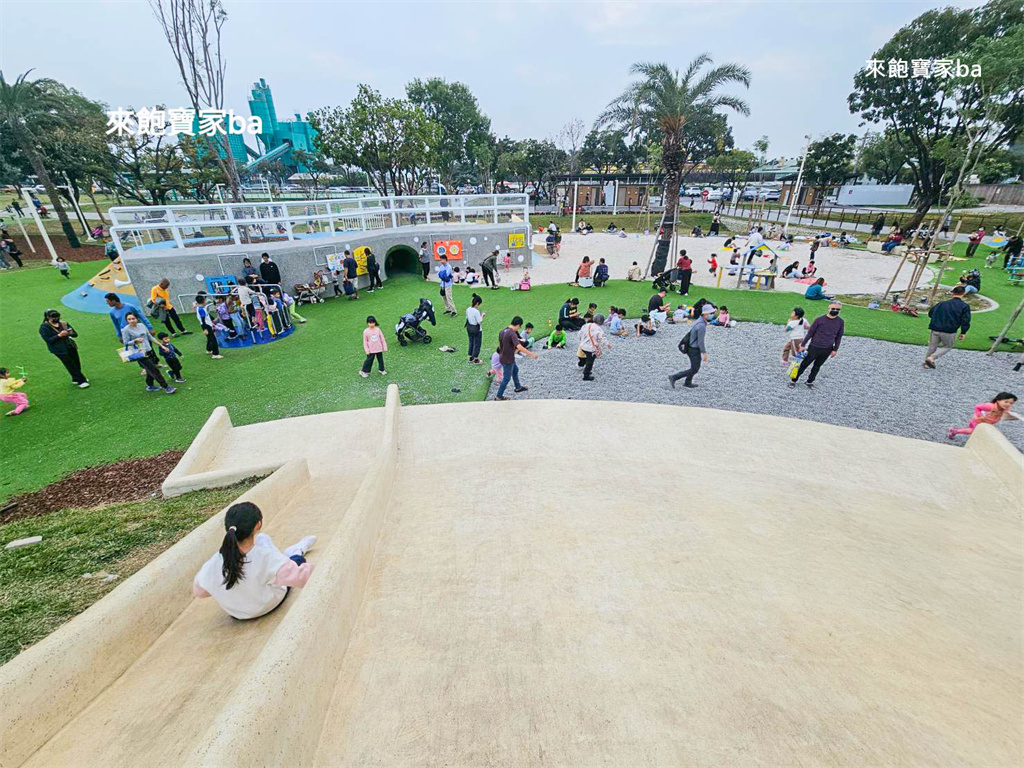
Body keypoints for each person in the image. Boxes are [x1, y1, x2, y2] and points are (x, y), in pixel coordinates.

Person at [192, 501, 316, 620]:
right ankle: (295, 550)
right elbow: (301, 578)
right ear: (258, 525)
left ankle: (266, 543)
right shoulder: (267, 558)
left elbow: (200, 592)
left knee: (274, 563)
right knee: (296, 560)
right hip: (268, 604)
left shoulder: (214, 561)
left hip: (237, 613)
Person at [789, 300, 844, 389]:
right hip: (814, 347)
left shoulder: (840, 322)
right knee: (804, 364)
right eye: (833, 308)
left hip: (827, 349)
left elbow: (839, 336)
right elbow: (810, 333)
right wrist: (803, 345)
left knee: (817, 366)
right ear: (828, 308)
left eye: (837, 309)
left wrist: (835, 349)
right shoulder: (819, 320)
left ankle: (810, 381)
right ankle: (793, 380)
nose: (835, 310)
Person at [121, 311, 176, 394]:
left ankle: (150, 385)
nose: (131, 321)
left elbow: (150, 337)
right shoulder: (126, 330)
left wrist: (162, 346)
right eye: (129, 319)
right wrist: (135, 341)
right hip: (140, 354)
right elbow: (126, 343)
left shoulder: (142, 325)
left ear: (137, 319)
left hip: (149, 350)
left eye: (133, 318)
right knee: (154, 370)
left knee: (149, 370)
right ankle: (166, 387)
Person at [923, 285, 971, 369]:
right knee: (948, 346)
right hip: (949, 331)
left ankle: (926, 364)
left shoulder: (942, 304)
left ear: (952, 293)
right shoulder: (964, 306)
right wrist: (963, 332)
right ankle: (932, 358)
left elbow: (931, 313)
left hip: (935, 329)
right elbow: (965, 321)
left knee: (932, 347)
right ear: (963, 294)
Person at [669, 303, 714, 389]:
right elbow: (700, 341)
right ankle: (674, 377)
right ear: (705, 314)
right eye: (710, 313)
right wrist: (704, 353)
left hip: (690, 347)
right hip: (694, 349)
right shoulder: (701, 326)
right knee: (695, 369)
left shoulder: (699, 321)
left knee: (694, 367)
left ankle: (688, 382)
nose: (712, 315)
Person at [39, 309, 89, 388]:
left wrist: (70, 333)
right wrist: (59, 335)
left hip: (70, 346)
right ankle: (81, 380)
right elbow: (49, 340)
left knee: (76, 362)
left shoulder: (64, 324)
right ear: (48, 317)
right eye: (53, 317)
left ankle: (75, 378)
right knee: (70, 364)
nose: (56, 319)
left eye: (57, 317)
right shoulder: (44, 327)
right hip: (59, 350)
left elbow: (75, 334)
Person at [494, 316, 538, 400]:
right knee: (506, 378)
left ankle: (518, 387)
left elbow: (501, 345)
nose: (519, 329)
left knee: (515, 370)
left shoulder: (502, 331)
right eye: (520, 326)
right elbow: (519, 347)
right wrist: (531, 354)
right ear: (518, 325)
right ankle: (499, 396)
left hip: (503, 357)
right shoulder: (512, 333)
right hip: (508, 359)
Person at [947, 393, 1021, 440]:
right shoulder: (990, 406)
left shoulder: (1003, 408)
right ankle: (955, 431)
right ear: (998, 400)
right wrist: (980, 416)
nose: (1008, 404)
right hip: (979, 421)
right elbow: (977, 407)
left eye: (1011, 403)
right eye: (1006, 402)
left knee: (974, 431)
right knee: (972, 431)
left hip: (986, 422)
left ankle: (956, 431)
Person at [577, 314, 609, 381]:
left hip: (582, 346)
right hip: (590, 348)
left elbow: (579, 334)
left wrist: (582, 341)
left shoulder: (586, 325)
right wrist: (607, 344)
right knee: (590, 361)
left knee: (588, 358)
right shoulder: (598, 329)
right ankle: (586, 375)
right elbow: (601, 338)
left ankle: (585, 368)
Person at [195, 293, 223, 359]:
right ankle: (215, 354)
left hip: (206, 324)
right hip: (206, 325)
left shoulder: (199, 308)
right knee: (213, 339)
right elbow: (203, 319)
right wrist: (205, 329)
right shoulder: (201, 309)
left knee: (209, 338)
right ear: (203, 301)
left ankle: (208, 349)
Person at [465, 293, 484, 364]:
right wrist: (482, 315)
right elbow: (479, 322)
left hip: (469, 328)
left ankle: (470, 357)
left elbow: (467, 318)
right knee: (477, 344)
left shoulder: (468, 309)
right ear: (477, 303)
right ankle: (476, 359)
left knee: (471, 342)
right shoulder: (476, 311)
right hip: (477, 330)